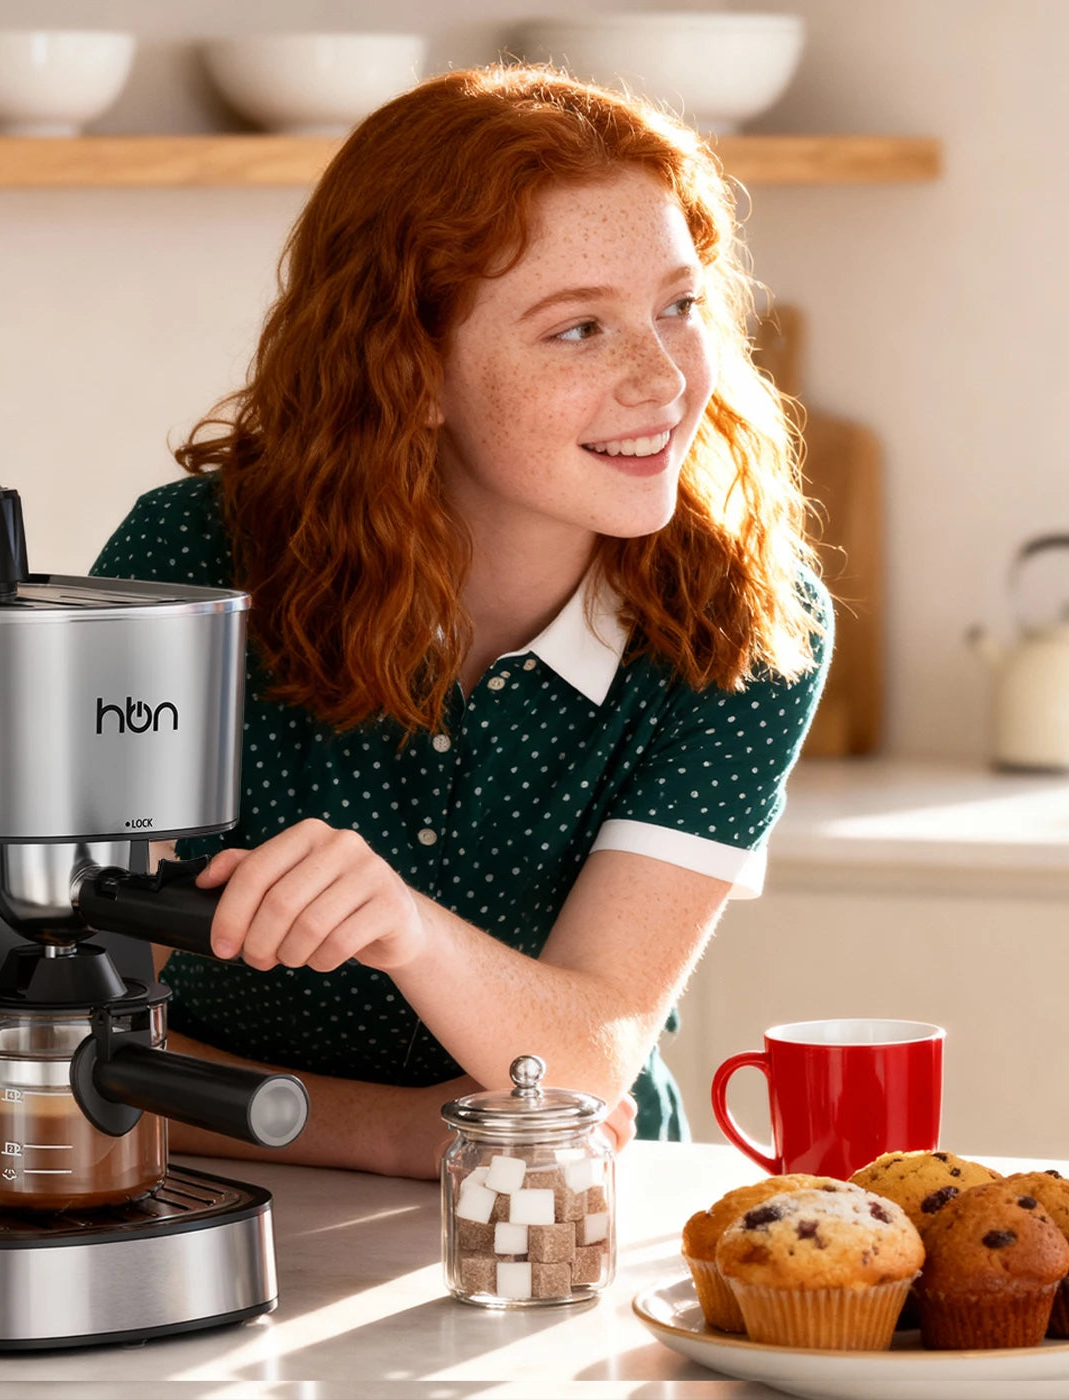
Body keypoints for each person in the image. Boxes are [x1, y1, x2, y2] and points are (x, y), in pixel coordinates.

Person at [91, 65, 830, 1179]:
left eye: (677, 307)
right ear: (410, 366)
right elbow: (57, 1030)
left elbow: (588, 1056)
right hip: (230, 1185)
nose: (662, 379)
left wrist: (410, 930)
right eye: (578, 328)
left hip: (565, 1212)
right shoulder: (192, 569)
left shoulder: (743, 622)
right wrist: (389, 1128)